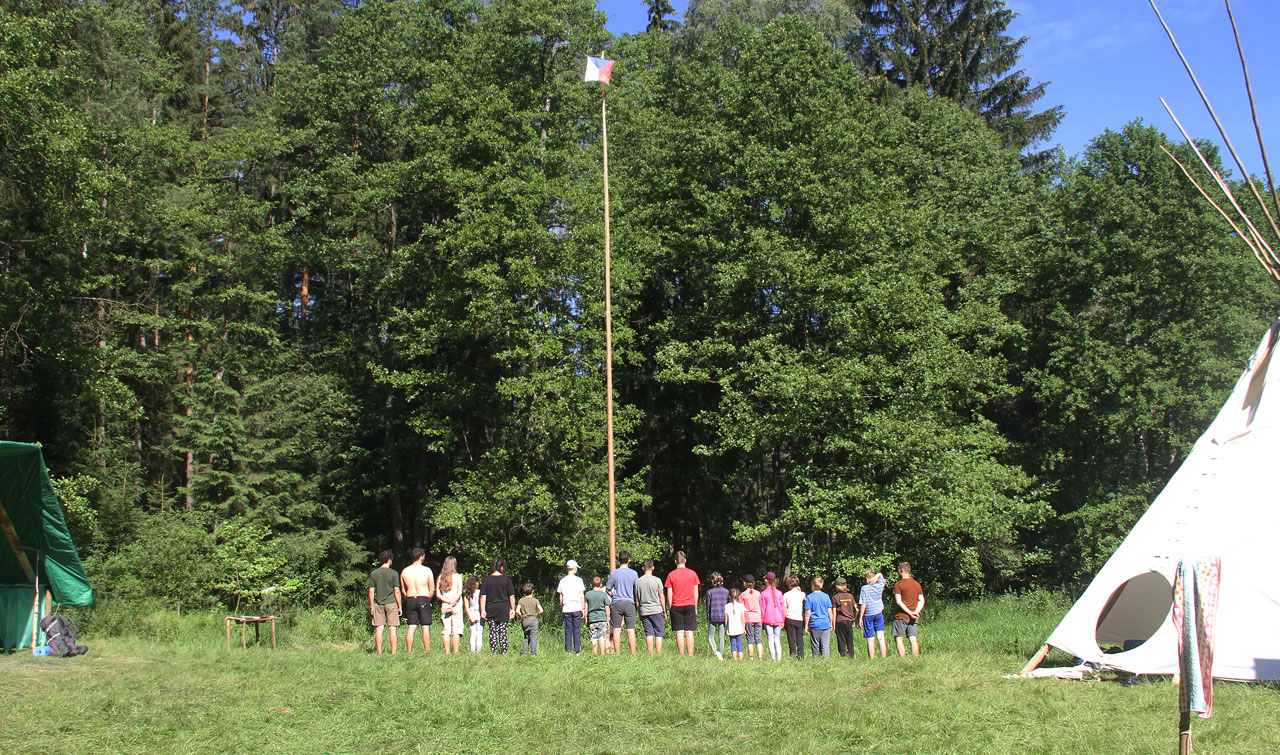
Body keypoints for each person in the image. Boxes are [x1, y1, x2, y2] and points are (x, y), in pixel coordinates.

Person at [664, 551, 701, 656]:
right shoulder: (693, 574)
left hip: (676, 605)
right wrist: (695, 607)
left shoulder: (671, 575)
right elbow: (695, 592)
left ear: (675, 562)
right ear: (685, 561)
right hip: (690, 604)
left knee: (679, 632)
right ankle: (690, 654)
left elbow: (669, 594)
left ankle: (682, 655)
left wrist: (670, 607)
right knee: (689, 632)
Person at [400, 547, 435, 654]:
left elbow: (403, 589)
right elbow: (432, 588)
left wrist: (408, 597)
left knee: (411, 626)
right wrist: (428, 599)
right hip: (423, 597)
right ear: (421, 557)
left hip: (411, 598)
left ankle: (409, 651)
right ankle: (427, 651)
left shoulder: (405, 571)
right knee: (425, 627)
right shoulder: (426, 570)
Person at [368, 550, 402, 655]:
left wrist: (372, 605)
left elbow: (371, 590)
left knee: (379, 628)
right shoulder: (394, 574)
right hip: (391, 603)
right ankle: (393, 652)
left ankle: (379, 652)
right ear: (389, 560)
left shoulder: (374, 573)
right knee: (392, 628)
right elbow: (396, 591)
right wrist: (400, 606)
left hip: (378, 603)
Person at [606, 550, 640, 655]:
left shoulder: (614, 573)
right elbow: (636, 589)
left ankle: (617, 652)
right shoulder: (634, 574)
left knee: (616, 629)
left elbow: (608, 588)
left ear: (618, 560)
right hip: (630, 602)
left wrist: (612, 595)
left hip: (617, 602)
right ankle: (633, 653)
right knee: (630, 629)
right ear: (629, 560)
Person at [479, 558, 515, 654]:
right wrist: (512, 609)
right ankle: (504, 651)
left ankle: (493, 651)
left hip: (491, 608)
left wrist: (482, 610)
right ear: (501, 567)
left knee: (493, 631)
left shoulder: (487, 580)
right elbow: (511, 595)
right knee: (503, 631)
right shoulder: (506, 579)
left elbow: (483, 596)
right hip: (503, 608)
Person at [892, 561, 925, 657]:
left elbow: (899, 601)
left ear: (902, 570)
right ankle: (915, 660)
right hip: (914, 616)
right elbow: (921, 600)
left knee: (899, 638)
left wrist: (909, 612)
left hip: (901, 616)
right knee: (913, 638)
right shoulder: (916, 584)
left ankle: (902, 660)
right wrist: (915, 612)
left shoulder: (898, 585)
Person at [635, 559, 666, 655]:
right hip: (657, 610)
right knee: (659, 633)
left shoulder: (638, 582)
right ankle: (659, 653)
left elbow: (637, 600)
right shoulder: (657, 580)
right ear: (653, 568)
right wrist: (664, 611)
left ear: (643, 568)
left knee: (649, 633)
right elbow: (661, 597)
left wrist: (639, 611)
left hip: (644, 611)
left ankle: (651, 654)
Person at [557, 559, 587, 655]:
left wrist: (562, 606)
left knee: (568, 630)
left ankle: (569, 651)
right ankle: (577, 650)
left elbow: (560, 596)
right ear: (574, 569)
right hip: (577, 607)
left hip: (567, 608)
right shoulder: (579, 580)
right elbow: (581, 595)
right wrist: (583, 608)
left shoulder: (562, 581)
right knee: (577, 630)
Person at [436, 556, 464, 654]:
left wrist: (447, 602)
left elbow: (438, 594)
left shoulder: (440, 577)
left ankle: (447, 652)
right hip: (456, 605)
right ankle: (455, 652)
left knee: (446, 630)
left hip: (445, 604)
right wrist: (453, 601)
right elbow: (459, 592)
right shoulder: (458, 576)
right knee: (457, 630)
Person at [858, 570, 888, 659]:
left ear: (867, 578)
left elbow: (863, 604)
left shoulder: (864, 588)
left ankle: (872, 658)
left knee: (870, 639)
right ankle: (884, 657)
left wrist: (860, 617)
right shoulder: (879, 586)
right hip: (878, 612)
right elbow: (881, 576)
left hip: (868, 615)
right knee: (881, 637)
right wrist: (877, 576)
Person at [804, 577, 834, 659]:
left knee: (815, 645)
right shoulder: (826, 596)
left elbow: (807, 613)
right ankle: (826, 661)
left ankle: (816, 661)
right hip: (825, 623)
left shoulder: (810, 597)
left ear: (813, 586)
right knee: (825, 645)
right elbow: (830, 611)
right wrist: (831, 623)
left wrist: (806, 625)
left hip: (814, 624)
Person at [585, 576, 613, 655]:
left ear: (591, 585)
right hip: (602, 618)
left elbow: (586, 607)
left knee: (593, 637)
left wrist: (586, 619)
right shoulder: (603, 595)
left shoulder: (588, 594)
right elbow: (607, 608)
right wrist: (607, 619)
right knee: (602, 637)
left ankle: (594, 653)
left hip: (592, 618)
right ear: (601, 585)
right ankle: (602, 653)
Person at [760, 572, 785, 662]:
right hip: (778, 618)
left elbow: (762, 608)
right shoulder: (779, 593)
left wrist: (762, 620)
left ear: (767, 581)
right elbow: (782, 608)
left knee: (770, 639)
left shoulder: (763, 594)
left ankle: (773, 658)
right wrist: (783, 620)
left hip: (767, 619)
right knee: (777, 639)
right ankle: (779, 658)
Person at [704, 572, 729, 660]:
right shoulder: (726, 591)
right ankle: (721, 655)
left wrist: (708, 616)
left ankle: (715, 652)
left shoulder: (709, 592)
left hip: (713, 616)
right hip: (723, 616)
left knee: (711, 636)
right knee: (721, 637)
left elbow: (708, 606)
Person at [832, 577, 858, 659]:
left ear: (837, 586)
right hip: (849, 621)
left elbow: (834, 612)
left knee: (841, 640)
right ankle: (851, 656)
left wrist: (833, 625)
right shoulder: (850, 596)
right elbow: (856, 609)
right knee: (850, 640)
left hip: (840, 621)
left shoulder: (835, 597)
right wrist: (854, 619)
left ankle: (843, 656)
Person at [516, 583, 543, 656]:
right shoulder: (535, 600)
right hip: (533, 620)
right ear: (533, 591)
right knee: (533, 637)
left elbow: (517, 611)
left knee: (526, 637)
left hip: (525, 621)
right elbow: (541, 610)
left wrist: (521, 616)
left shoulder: (521, 600)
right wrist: (537, 614)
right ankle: (533, 653)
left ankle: (524, 653)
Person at [783, 575, 806, 659]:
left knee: (791, 638)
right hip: (799, 618)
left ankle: (793, 654)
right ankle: (801, 655)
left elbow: (785, 608)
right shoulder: (802, 594)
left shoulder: (786, 595)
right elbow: (804, 599)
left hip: (789, 618)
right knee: (799, 638)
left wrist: (783, 619)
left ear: (789, 585)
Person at [741, 574, 763, 661]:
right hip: (758, 618)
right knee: (758, 638)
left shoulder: (742, 595)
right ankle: (760, 657)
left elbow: (742, 609)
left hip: (748, 618)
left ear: (745, 583)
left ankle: (751, 657)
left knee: (750, 638)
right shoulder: (758, 594)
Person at [724, 587, 746, 661]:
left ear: (729, 596)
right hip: (739, 628)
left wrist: (726, 628)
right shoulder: (741, 606)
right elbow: (743, 618)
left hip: (731, 629)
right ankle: (741, 659)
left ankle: (735, 659)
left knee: (733, 644)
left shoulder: (726, 606)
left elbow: (726, 619)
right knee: (739, 644)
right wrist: (743, 628)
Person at [464, 575, 483, 653]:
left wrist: (469, 616)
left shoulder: (467, 594)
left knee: (473, 634)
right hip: (479, 613)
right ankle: (478, 650)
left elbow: (466, 607)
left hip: (472, 613)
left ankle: (472, 650)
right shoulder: (480, 592)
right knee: (479, 633)